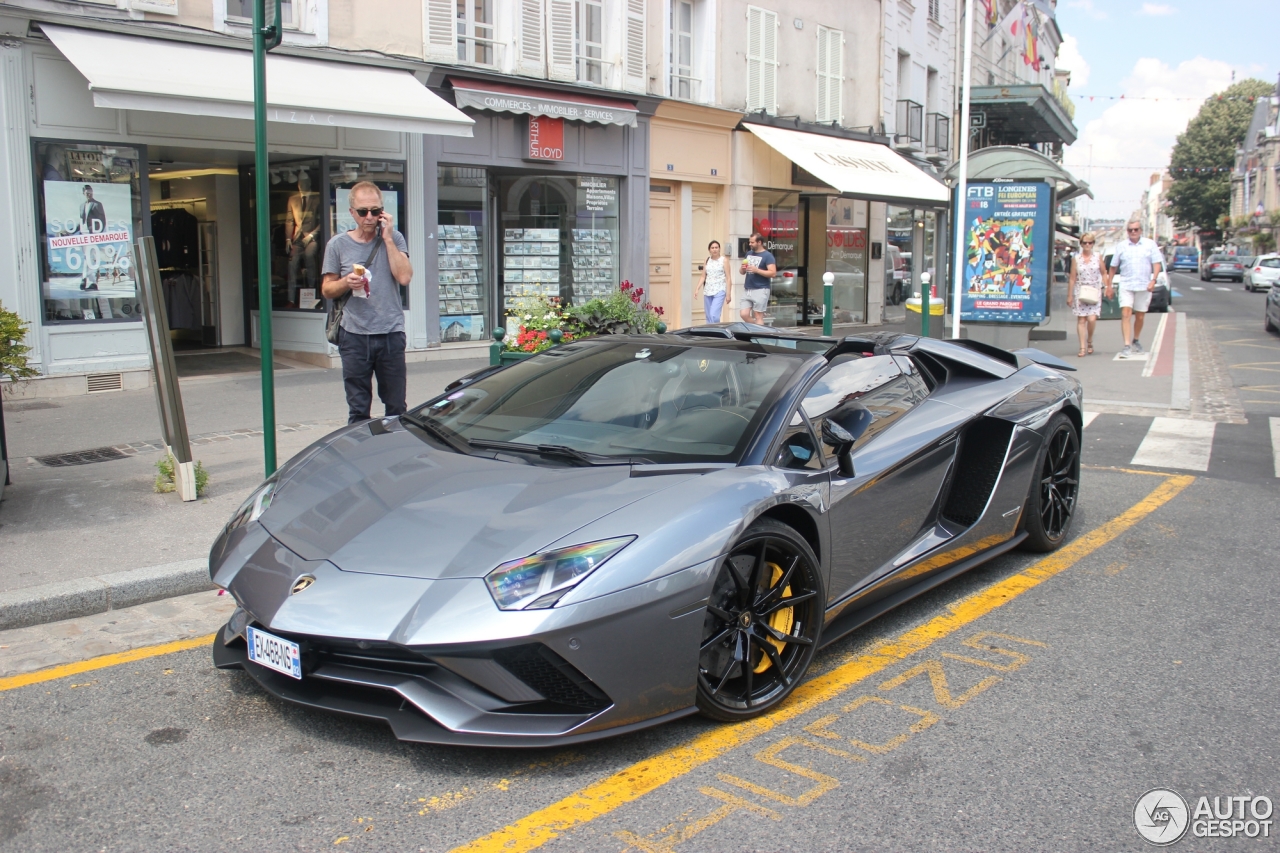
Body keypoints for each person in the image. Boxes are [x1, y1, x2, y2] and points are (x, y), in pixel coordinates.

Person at [321, 182, 413, 423]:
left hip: (390, 332)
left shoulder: (394, 238)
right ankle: (361, 456)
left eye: (375, 211)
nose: (369, 217)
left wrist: (389, 238)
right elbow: (327, 289)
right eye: (363, 212)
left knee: (396, 406)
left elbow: (404, 277)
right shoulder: (337, 245)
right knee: (359, 408)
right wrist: (346, 283)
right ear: (352, 212)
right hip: (354, 334)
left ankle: (394, 455)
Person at [1108, 220, 1163, 358]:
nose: (1133, 232)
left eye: (1136, 229)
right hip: (1126, 283)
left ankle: (1136, 339)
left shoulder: (1149, 244)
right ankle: (1126, 345)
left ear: (1140, 230)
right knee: (1126, 313)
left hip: (1144, 284)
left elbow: (1157, 263)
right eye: (1130, 230)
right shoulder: (1122, 246)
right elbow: (1113, 266)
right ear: (1127, 231)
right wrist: (1108, 285)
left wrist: (1153, 280)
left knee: (1140, 315)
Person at [1067, 231, 1105, 357]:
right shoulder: (1076, 259)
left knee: (1092, 318)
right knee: (1081, 319)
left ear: (1093, 244)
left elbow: (1104, 272)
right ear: (1081, 244)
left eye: (1090, 242)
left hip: (1094, 289)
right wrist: (1070, 295)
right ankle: (1082, 347)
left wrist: (1108, 286)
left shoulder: (1098, 257)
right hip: (1081, 288)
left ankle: (1090, 340)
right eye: (1084, 243)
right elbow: (1072, 277)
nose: (1087, 245)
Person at [738, 232, 776, 324]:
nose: (750, 244)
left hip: (761, 289)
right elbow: (742, 272)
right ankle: (759, 328)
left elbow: (773, 273)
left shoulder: (768, 256)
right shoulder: (748, 254)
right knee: (744, 314)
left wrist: (757, 270)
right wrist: (742, 268)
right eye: (749, 242)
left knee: (758, 315)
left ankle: (759, 334)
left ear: (759, 242)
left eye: (752, 242)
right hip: (748, 288)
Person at [695, 240, 732, 323]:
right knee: (708, 317)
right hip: (708, 290)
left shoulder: (724, 260)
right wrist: (697, 289)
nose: (714, 249)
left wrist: (728, 294)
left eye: (716, 247)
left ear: (719, 249)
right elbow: (703, 276)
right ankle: (710, 334)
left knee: (714, 315)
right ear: (709, 250)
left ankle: (717, 332)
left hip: (720, 290)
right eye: (712, 248)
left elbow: (728, 278)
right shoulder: (707, 260)